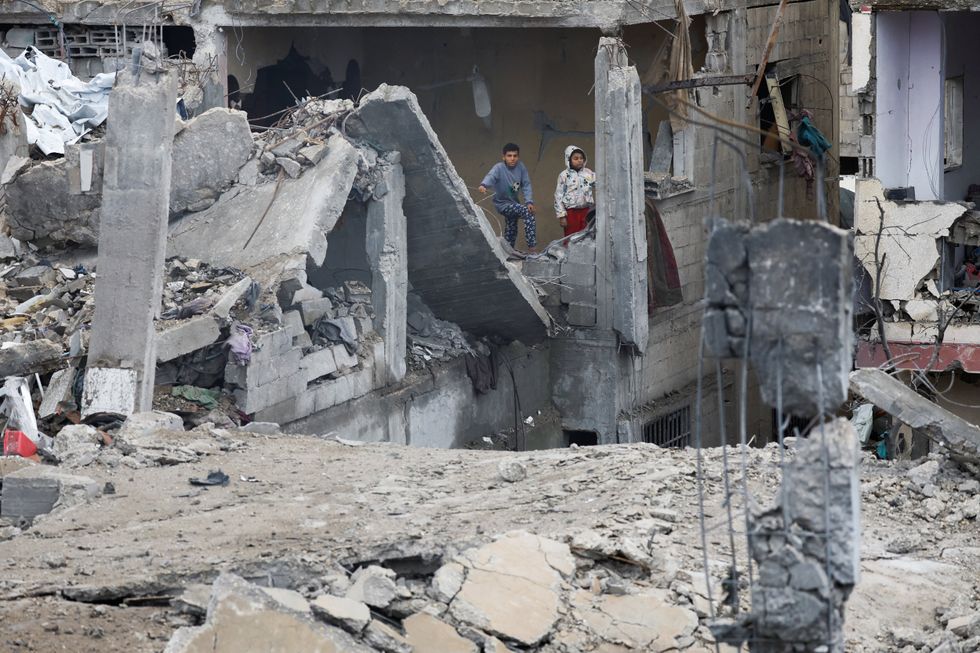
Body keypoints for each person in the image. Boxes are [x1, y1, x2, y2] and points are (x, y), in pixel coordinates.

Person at [479, 143, 537, 252]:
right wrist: (484, 185)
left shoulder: (521, 167)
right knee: (527, 213)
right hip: (503, 205)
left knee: (511, 229)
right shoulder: (499, 167)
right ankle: (532, 248)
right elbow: (491, 176)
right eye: (509, 156)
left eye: (515, 156)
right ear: (503, 157)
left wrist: (529, 202)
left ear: (518, 157)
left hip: (514, 202)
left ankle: (508, 252)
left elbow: (526, 184)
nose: (512, 158)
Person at [554, 145, 595, 239]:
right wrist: (562, 216)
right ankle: (569, 253)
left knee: (586, 236)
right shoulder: (564, 175)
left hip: (586, 211)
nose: (579, 160)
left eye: (581, 158)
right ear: (569, 160)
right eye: (575, 158)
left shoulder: (588, 173)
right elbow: (558, 196)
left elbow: (599, 183)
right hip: (571, 212)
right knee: (571, 237)